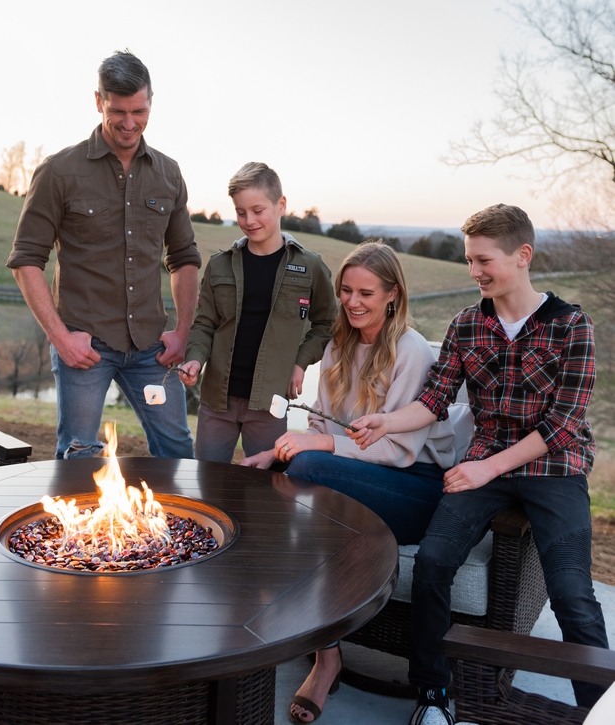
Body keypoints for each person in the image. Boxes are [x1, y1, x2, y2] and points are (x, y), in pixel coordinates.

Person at [351, 204, 610, 725]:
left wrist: (488, 469)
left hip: (553, 470)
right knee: (433, 564)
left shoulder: (571, 326)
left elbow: (562, 426)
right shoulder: (467, 324)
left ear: (522, 255)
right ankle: (433, 695)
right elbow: (434, 400)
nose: (475, 272)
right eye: (469, 261)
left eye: (483, 260)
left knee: (573, 596)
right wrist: (385, 421)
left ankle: (601, 709)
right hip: (484, 467)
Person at [243, 241, 456, 724]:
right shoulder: (339, 344)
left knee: (307, 470)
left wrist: (312, 452)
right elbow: (322, 429)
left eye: (366, 293)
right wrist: (274, 455)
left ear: (392, 295)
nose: (354, 302)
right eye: (346, 291)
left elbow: (399, 451)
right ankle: (328, 654)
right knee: (277, 475)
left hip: (413, 487)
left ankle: (319, 653)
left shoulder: (411, 351)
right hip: (349, 477)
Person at [7, 51, 201, 460]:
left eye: (139, 111)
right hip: (85, 348)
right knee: (79, 455)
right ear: (99, 101)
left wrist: (183, 331)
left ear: (151, 102)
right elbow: (26, 260)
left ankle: (175, 526)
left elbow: (183, 257)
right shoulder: (59, 172)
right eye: (117, 111)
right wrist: (61, 339)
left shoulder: (169, 174)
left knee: (178, 451)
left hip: (151, 349)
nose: (129, 123)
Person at [178, 162, 336, 463]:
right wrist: (195, 358)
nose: (249, 220)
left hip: (270, 404)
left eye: (257, 210)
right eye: (240, 212)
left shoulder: (310, 267)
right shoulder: (219, 265)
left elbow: (327, 323)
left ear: (281, 205)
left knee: (265, 487)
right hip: (216, 403)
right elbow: (205, 323)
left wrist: (300, 363)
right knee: (208, 482)